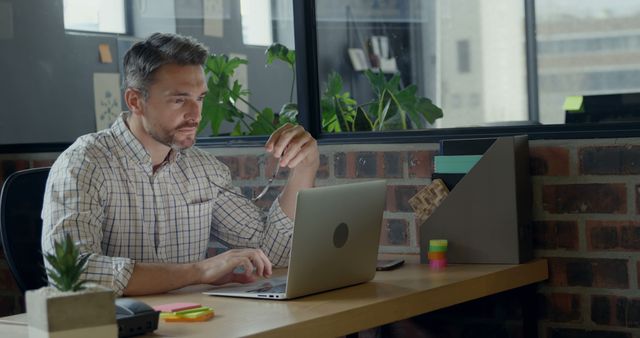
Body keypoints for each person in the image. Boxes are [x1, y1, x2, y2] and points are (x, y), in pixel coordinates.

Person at [41, 33, 319, 296]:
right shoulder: (83, 164)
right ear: (135, 101)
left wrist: (305, 169)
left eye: (199, 98)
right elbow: (72, 273)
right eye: (179, 100)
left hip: (192, 322)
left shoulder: (205, 169)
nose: (195, 115)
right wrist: (198, 272)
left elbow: (271, 256)